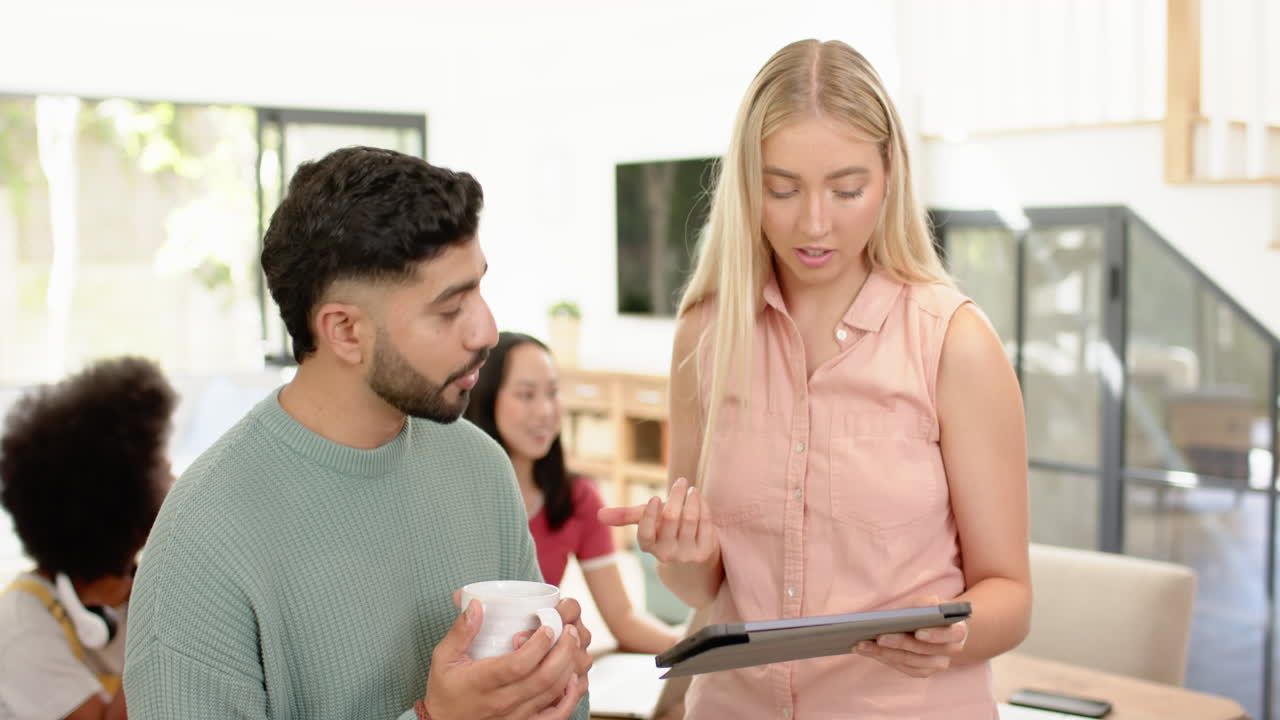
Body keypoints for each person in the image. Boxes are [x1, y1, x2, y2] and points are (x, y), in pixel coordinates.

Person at [600, 39, 1031, 718]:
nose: (815, 223)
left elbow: (1009, 594)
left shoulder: (955, 343)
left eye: (847, 188)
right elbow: (698, 587)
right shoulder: (706, 334)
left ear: (889, 176)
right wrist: (683, 552)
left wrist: (954, 629)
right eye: (782, 189)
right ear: (748, 183)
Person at [123, 147, 592, 720]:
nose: (487, 330)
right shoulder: (204, 538)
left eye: (479, 289)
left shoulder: (481, 467)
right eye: (449, 309)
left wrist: (554, 681)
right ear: (344, 330)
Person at [464, 331, 682, 655]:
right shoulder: (454, 495)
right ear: (486, 397)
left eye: (553, 392)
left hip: (538, 674)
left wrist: (700, 650)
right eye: (526, 395)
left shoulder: (577, 498)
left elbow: (624, 619)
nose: (545, 411)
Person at [0, 356, 178, 720]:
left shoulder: (141, 588)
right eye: (160, 467)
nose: (174, 478)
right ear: (119, 496)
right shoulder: (20, 622)